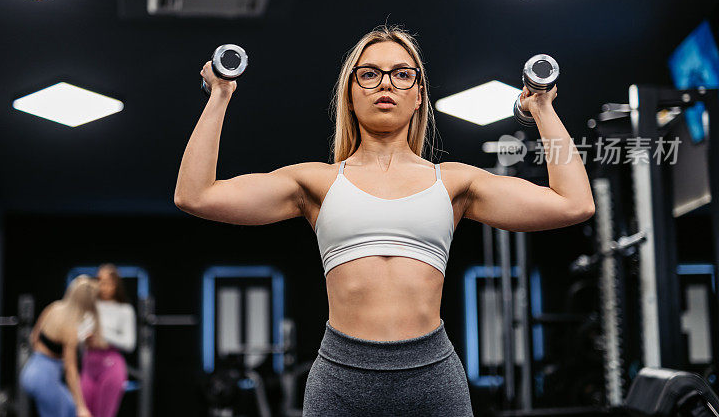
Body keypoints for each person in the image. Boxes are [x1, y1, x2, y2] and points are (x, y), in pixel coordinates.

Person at [173, 25, 595, 416]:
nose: (387, 83)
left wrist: (542, 109)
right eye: (369, 74)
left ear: (418, 95)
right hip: (340, 380)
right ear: (350, 93)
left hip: (433, 378)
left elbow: (573, 204)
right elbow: (196, 195)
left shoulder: (453, 183)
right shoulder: (315, 182)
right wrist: (219, 97)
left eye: (401, 74)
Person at [20, 275, 99, 417]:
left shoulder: (54, 307)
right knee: (71, 410)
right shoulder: (70, 329)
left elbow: (34, 338)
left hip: (32, 369)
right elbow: (71, 370)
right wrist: (81, 406)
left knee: (69, 408)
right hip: (45, 377)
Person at [81, 264, 136, 417]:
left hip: (110, 365)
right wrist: (85, 338)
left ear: (115, 284)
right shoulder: (89, 307)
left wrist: (103, 334)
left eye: (106, 282)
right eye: (99, 280)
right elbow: (78, 335)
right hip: (89, 365)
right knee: (83, 412)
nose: (102, 286)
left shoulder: (124, 309)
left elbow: (129, 343)